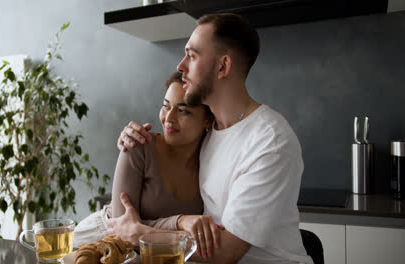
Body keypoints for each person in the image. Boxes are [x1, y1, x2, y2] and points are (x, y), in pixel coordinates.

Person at [112, 13, 313, 264]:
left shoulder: (269, 142)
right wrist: (131, 135)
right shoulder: (207, 131)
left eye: (192, 55)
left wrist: (141, 233)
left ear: (222, 67)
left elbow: (225, 252)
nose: (181, 66)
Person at [73, 72, 217, 248]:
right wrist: (180, 222)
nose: (168, 119)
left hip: (155, 251)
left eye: (182, 111)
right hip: (101, 240)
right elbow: (123, 229)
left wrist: (170, 231)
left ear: (208, 120)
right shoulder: (139, 146)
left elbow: (137, 231)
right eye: (165, 106)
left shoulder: (211, 161)